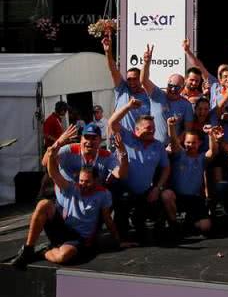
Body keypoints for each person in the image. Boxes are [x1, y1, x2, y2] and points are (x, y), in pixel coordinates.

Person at [11, 125, 125, 268]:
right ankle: (28, 249)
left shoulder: (103, 192)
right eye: (86, 137)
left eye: (93, 138)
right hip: (64, 212)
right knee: (43, 204)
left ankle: (44, 251)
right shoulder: (72, 184)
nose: (83, 184)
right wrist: (56, 145)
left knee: (65, 255)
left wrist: (118, 240)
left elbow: (108, 218)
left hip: (81, 231)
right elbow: (51, 169)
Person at [108, 99, 170, 241]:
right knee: (122, 202)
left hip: (145, 191)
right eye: (148, 128)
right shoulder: (127, 137)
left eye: (153, 128)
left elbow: (166, 168)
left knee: (156, 209)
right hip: (124, 190)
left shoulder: (158, 146)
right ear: (137, 130)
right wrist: (128, 106)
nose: (152, 130)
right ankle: (122, 238)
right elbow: (112, 123)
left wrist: (157, 188)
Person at [161, 118, 214, 237]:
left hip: (194, 199)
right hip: (178, 197)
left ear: (199, 143)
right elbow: (173, 141)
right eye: (188, 142)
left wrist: (211, 134)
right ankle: (173, 224)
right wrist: (171, 126)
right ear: (184, 143)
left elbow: (213, 151)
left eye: (194, 143)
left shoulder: (202, 158)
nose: (190, 145)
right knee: (166, 195)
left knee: (206, 226)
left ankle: (186, 225)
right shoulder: (180, 154)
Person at [139, 44, 194, 145]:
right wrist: (146, 63)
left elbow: (188, 129)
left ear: (182, 88)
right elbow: (143, 80)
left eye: (176, 87)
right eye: (170, 86)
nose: (172, 89)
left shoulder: (186, 105)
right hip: (153, 145)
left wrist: (175, 143)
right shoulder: (157, 94)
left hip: (173, 147)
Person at [50, 122, 127, 190]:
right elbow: (45, 162)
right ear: (81, 139)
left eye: (93, 138)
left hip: (93, 197)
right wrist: (58, 142)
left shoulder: (106, 156)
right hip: (69, 195)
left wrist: (123, 153)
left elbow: (120, 174)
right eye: (86, 137)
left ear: (100, 140)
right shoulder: (69, 150)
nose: (89, 141)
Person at [103, 33, 151, 132]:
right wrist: (108, 52)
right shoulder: (122, 89)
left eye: (135, 79)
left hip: (139, 138)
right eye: (129, 79)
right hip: (119, 137)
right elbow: (113, 69)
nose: (131, 82)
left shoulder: (149, 96)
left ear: (141, 79)